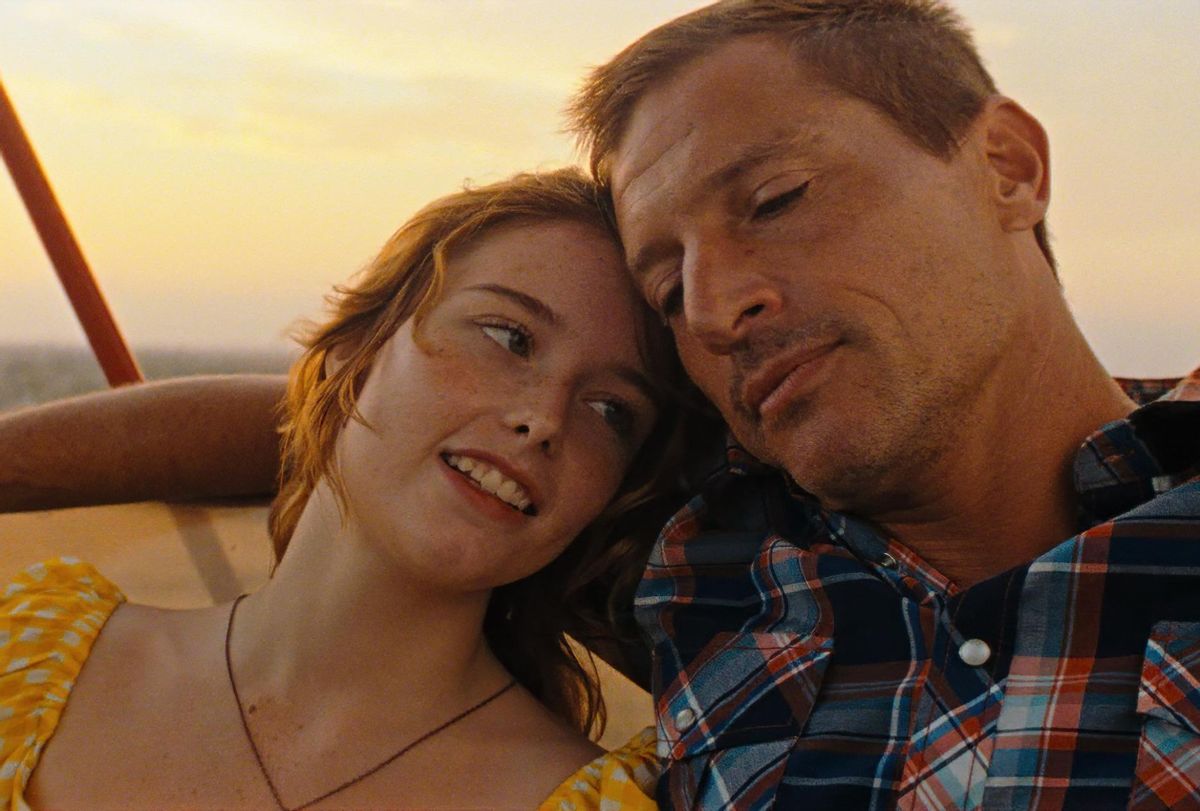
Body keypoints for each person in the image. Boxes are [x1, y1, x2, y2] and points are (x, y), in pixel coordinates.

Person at [2, 1, 1198, 809]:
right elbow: (369, 429)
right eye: (668, 289)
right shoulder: (706, 558)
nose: (715, 306)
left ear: (1006, 167)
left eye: (775, 199)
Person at [0, 168, 689, 809]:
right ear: (354, 353)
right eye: (508, 337)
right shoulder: (28, 655)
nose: (545, 419)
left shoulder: (601, 801)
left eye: (611, 410)